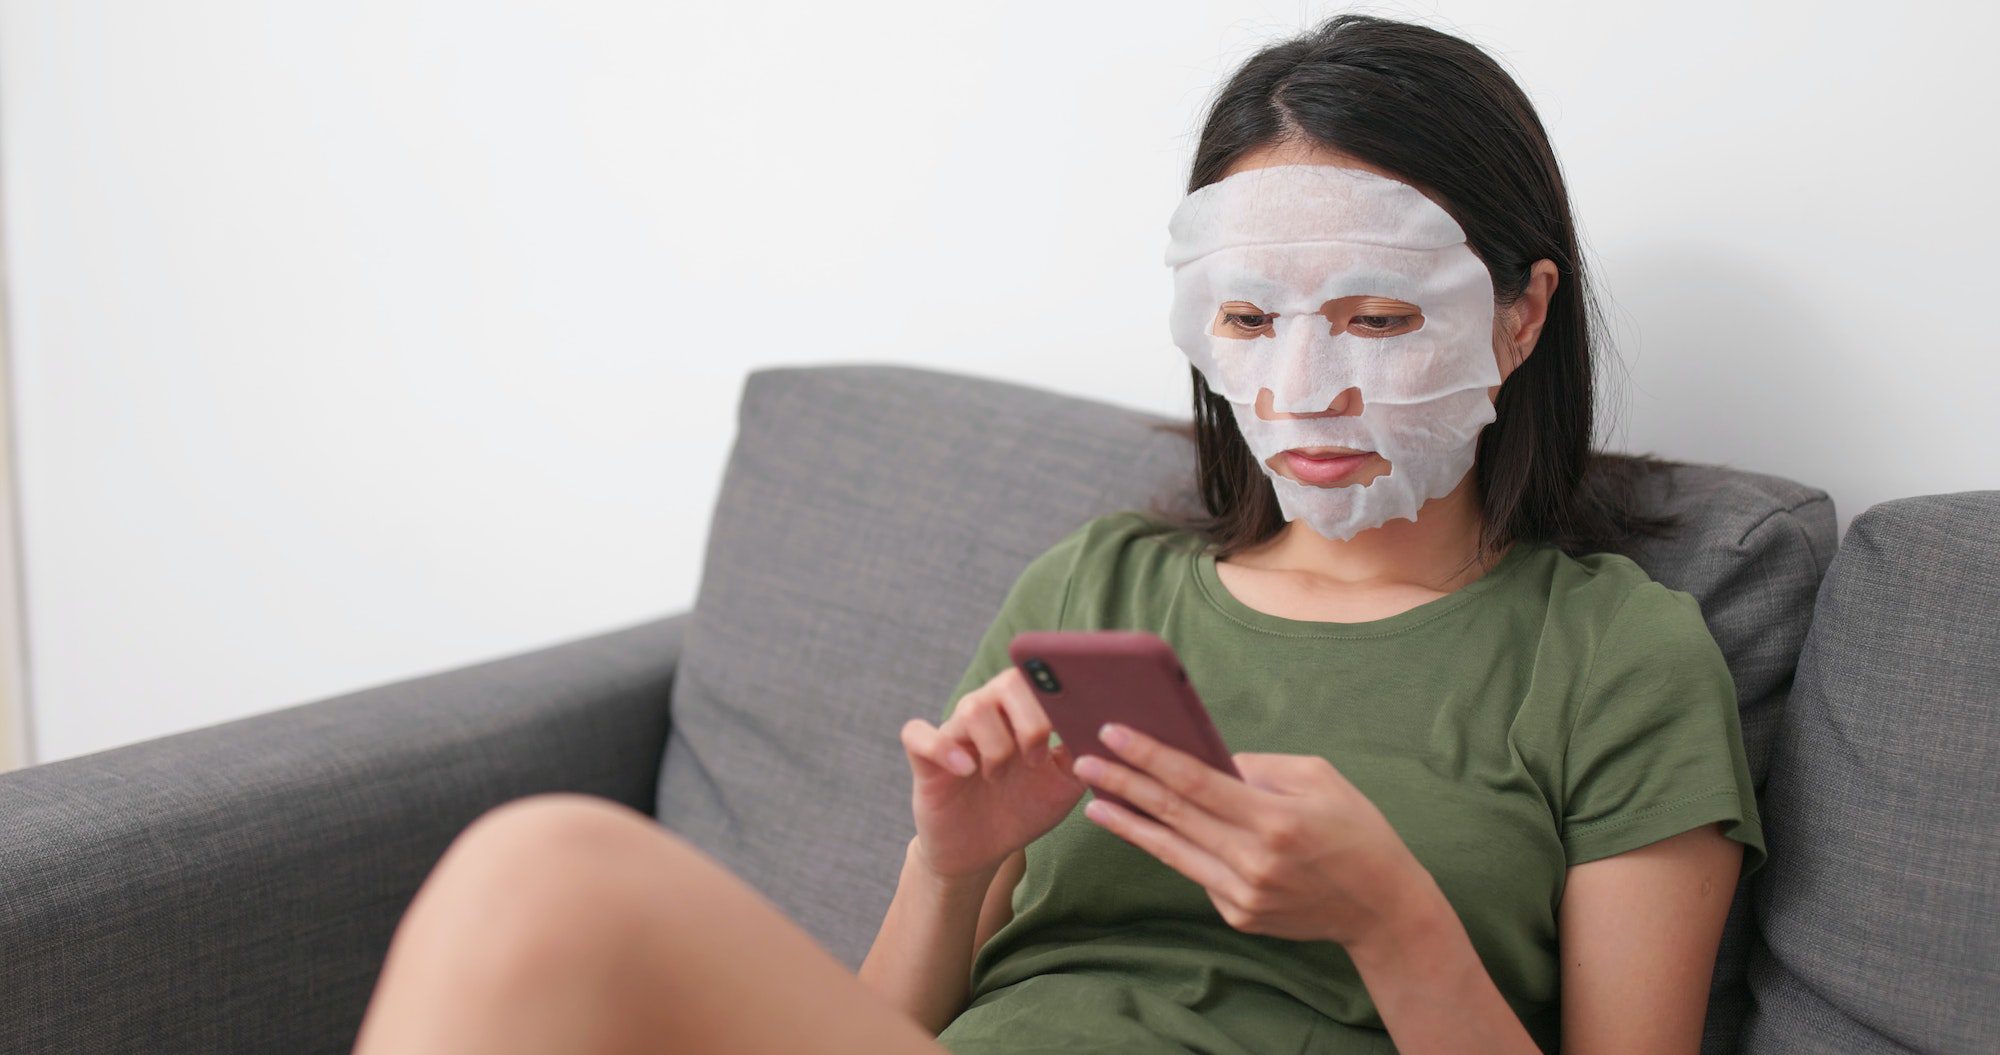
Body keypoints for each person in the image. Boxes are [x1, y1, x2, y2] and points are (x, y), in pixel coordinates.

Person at [350, 13, 1763, 1054]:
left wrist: (1390, 918)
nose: (1303, 386)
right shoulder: (1101, 586)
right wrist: (951, 863)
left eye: (1380, 319)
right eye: (1251, 320)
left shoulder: (1617, 653)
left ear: (1520, 314)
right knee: (538, 874)